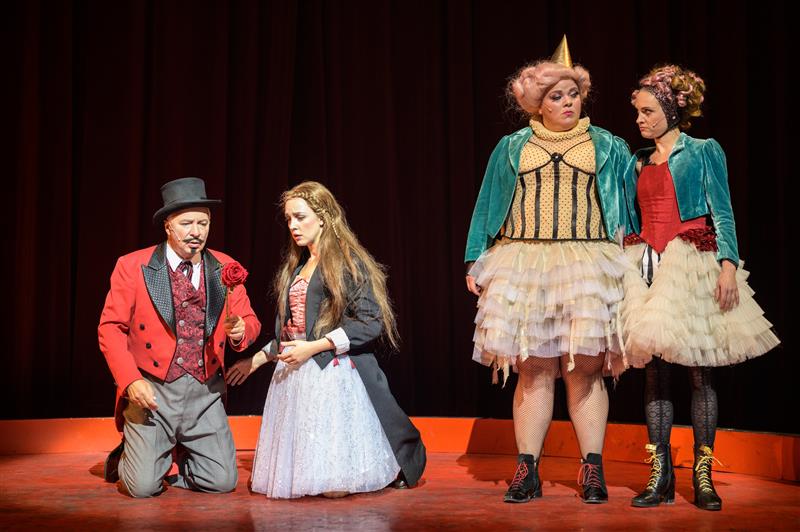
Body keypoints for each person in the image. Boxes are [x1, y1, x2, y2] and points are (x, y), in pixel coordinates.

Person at [464, 36, 631, 504]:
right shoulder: (512, 147)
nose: (567, 103)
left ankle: (592, 469)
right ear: (538, 103)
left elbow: (628, 207)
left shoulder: (607, 145)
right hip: (526, 263)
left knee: (585, 368)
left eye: (573, 94)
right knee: (533, 368)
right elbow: (487, 205)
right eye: (556, 96)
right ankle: (527, 469)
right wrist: (475, 257)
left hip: (587, 262)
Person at [623, 65, 780, 511]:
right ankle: (660, 475)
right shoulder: (638, 159)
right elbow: (630, 215)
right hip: (648, 265)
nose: (640, 120)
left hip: (690, 261)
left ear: (671, 111)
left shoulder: (703, 151)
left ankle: (703, 475)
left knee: (699, 371)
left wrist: (728, 265)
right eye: (638, 112)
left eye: (648, 111)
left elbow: (723, 212)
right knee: (654, 374)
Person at [226, 181, 426, 499]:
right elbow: (291, 330)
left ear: (322, 217)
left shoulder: (347, 262)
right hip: (296, 373)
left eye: (300, 217)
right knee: (301, 478)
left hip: (330, 368)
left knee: (334, 488)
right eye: (288, 219)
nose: (293, 225)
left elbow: (370, 321)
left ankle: (398, 463)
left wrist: (315, 347)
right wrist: (257, 359)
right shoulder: (297, 268)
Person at [98, 177, 261, 497]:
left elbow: (251, 321)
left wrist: (242, 331)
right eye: (187, 223)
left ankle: (179, 454)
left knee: (222, 482)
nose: (196, 231)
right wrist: (130, 381)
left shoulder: (224, 267)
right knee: (142, 488)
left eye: (203, 223)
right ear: (168, 226)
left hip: (205, 392)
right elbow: (110, 328)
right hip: (153, 390)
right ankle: (133, 454)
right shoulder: (134, 266)